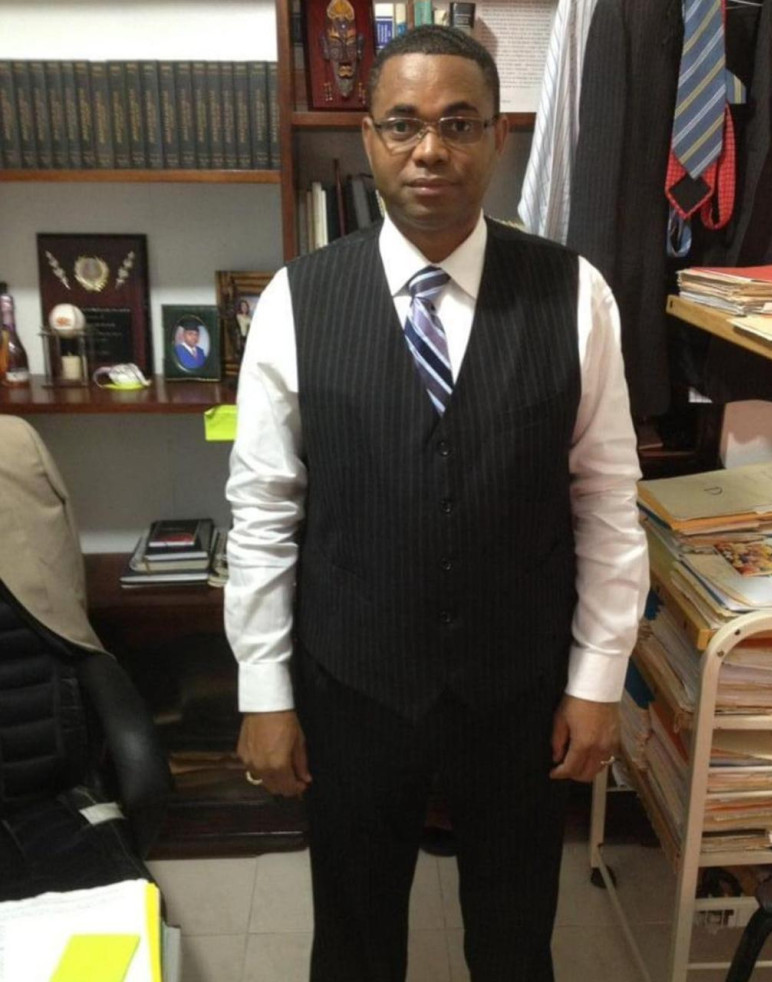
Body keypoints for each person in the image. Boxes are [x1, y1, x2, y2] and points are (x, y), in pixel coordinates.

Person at [226, 24, 648, 982]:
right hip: (352, 683)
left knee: (514, 939)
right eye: (404, 124)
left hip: (518, 687)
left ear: (498, 137)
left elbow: (607, 499)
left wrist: (598, 679)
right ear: (369, 137)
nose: (430, 150)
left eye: (459, 124)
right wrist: (264, 691)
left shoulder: (574, 293)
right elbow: (264, 511)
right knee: (354, 940)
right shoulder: (297, 299)